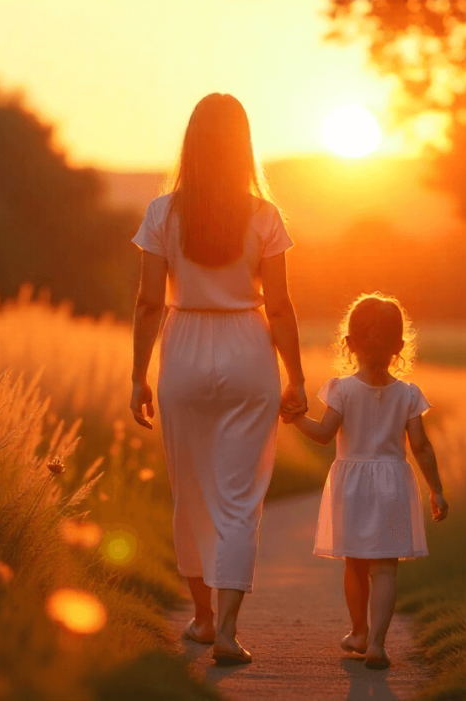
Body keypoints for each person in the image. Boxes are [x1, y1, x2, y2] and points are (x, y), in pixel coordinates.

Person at [130, 93, 308, 665]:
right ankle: (228, 630)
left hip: (183, 350)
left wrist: (139, 376)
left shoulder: (162, 213)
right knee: (239, 499)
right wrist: (297, 376)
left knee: (192, 495)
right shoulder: (264, 216)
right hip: (248, 348)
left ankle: (203, 619)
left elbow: (147, 303)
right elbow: (280, 307)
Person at [281, 293, 448, 669]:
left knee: (354, 564)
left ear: (349, 343)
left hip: (352, 486)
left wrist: (294, 420)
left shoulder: (341, 389)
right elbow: (420, 447)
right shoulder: (408, 394)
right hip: (392, 485)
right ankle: (377, 643)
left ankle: (358, 631)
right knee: (385, 568)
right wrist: (436, 489)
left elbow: (324, 434)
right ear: (399, 347)